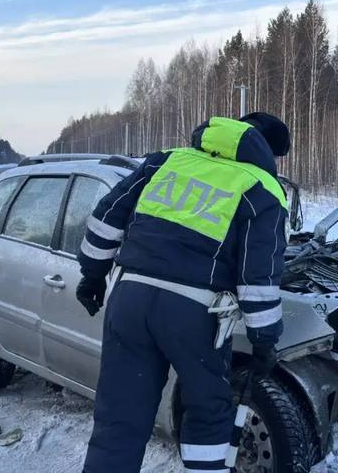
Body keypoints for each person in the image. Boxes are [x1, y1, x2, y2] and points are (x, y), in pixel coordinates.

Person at [76, 113, 290, 473]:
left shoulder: (168, 161)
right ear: (268, 152)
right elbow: (258, 276)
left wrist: (93, 275)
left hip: (130, 299)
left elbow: (106, 216)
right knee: (208, 413)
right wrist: (264, 339)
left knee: (120, 414)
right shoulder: (263, 189)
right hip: (194, 314)